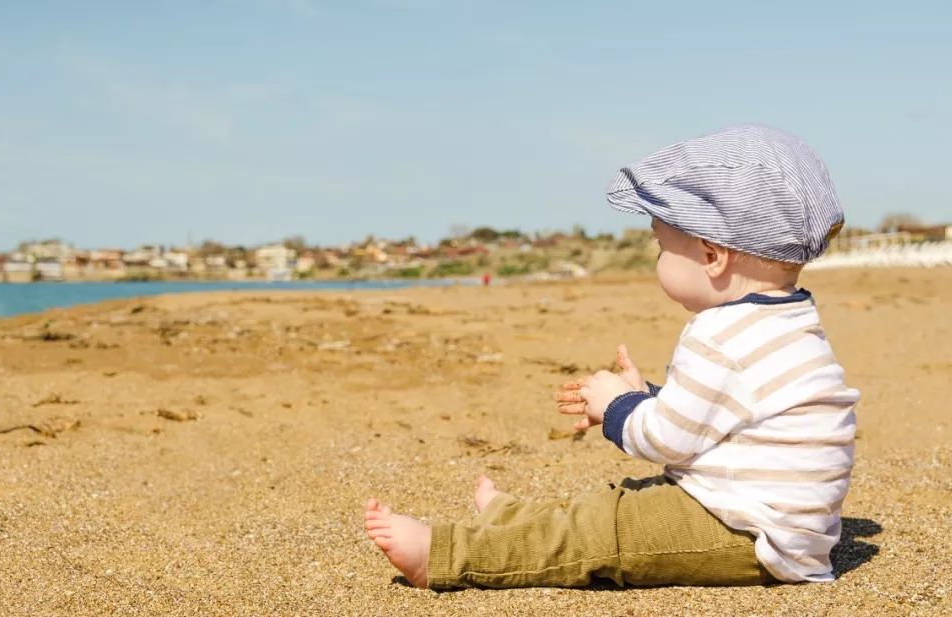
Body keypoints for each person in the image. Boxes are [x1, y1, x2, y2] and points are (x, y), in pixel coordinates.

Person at [364, 124, 860, 589]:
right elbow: (724, 414)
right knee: (621, 501)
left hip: (746, 532)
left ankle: (445, 555)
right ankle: (514, 519)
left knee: (604, 530)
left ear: (712, 256)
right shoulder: (791, 319)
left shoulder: (719, 333)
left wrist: (617, 408)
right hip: (782, 526)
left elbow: (667, 441)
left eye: (662, 246)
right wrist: (647, 396)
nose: (658, 258)